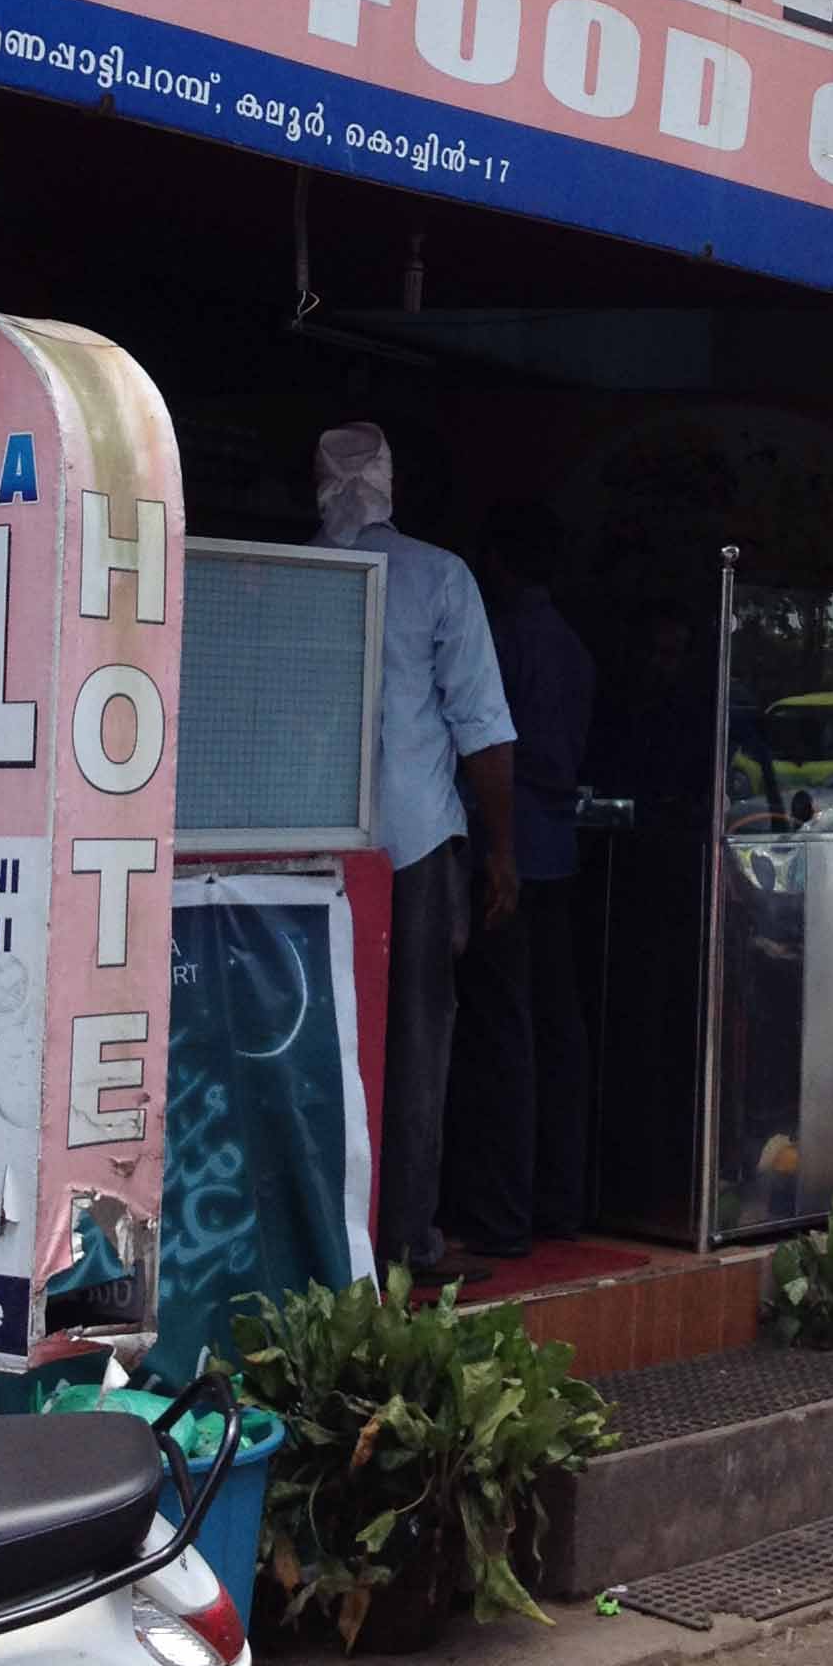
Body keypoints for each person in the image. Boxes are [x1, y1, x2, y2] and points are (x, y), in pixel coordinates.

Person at [312, 422, 516, 1276]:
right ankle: (406, 1242)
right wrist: (504, 846)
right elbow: (480, 726)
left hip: (308, 838)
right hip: (415, 845)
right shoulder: (439, 575)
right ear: (394, 483)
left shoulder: (288, 573)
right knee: (416, 1042)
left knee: (315, 1040)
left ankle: (321, 1235)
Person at [442, 503, 598, 1258]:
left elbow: (487, 743)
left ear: (498, 563)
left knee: (500, 1034)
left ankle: (497, 1216)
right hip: (559, 848)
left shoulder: (503, 638)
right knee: (553, 1032)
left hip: (508, 852)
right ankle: (559, 1202)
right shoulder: (572, 643)